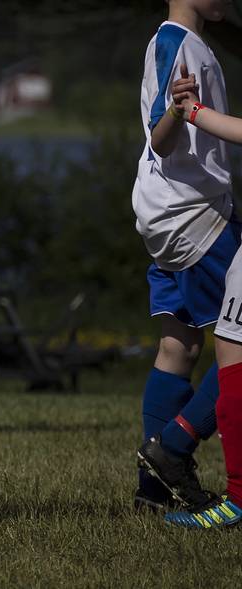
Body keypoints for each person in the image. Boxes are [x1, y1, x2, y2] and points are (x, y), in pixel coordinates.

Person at [136, 0, 239, 528]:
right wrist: (180, 111)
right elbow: (160, 132)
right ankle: (173, 448)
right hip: (191, 213)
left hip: (169, 212)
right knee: (239, 346)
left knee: (179, 346)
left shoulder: (185, 43)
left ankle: (152, 489)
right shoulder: (178, 43)